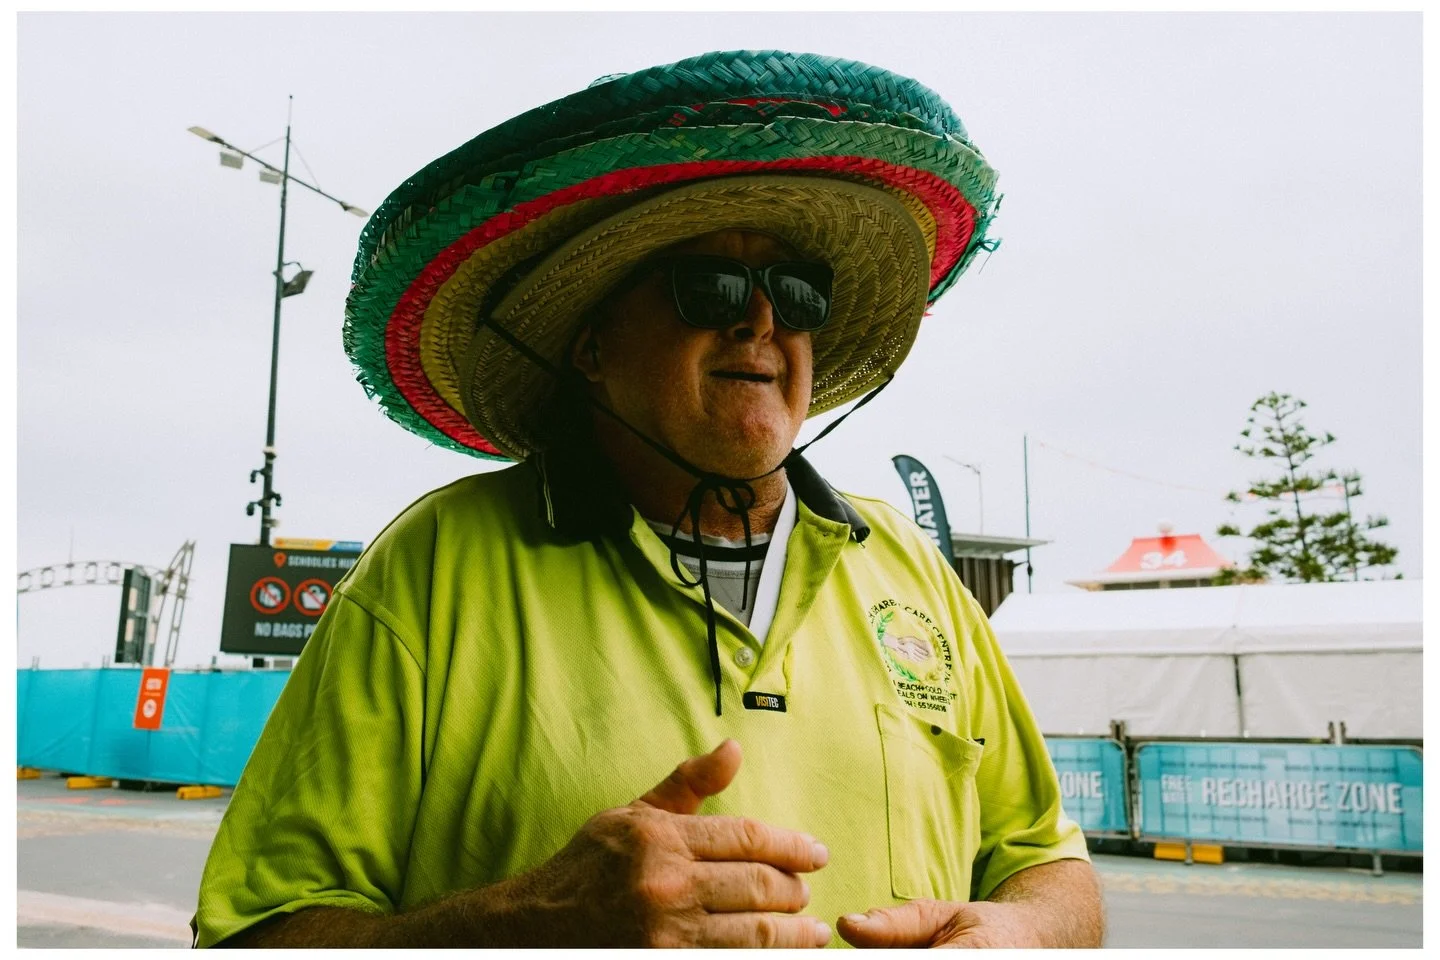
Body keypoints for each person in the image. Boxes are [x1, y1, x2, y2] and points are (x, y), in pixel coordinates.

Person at [192, 49, 1104, 948]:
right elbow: (256, 932)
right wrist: (529, 927)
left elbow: (1050, 866)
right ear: (592, 346)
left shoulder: (915, 575)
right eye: (707, 287)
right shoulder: (435, 569)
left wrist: (1020, 931)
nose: (761, 321)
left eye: (796, 292)